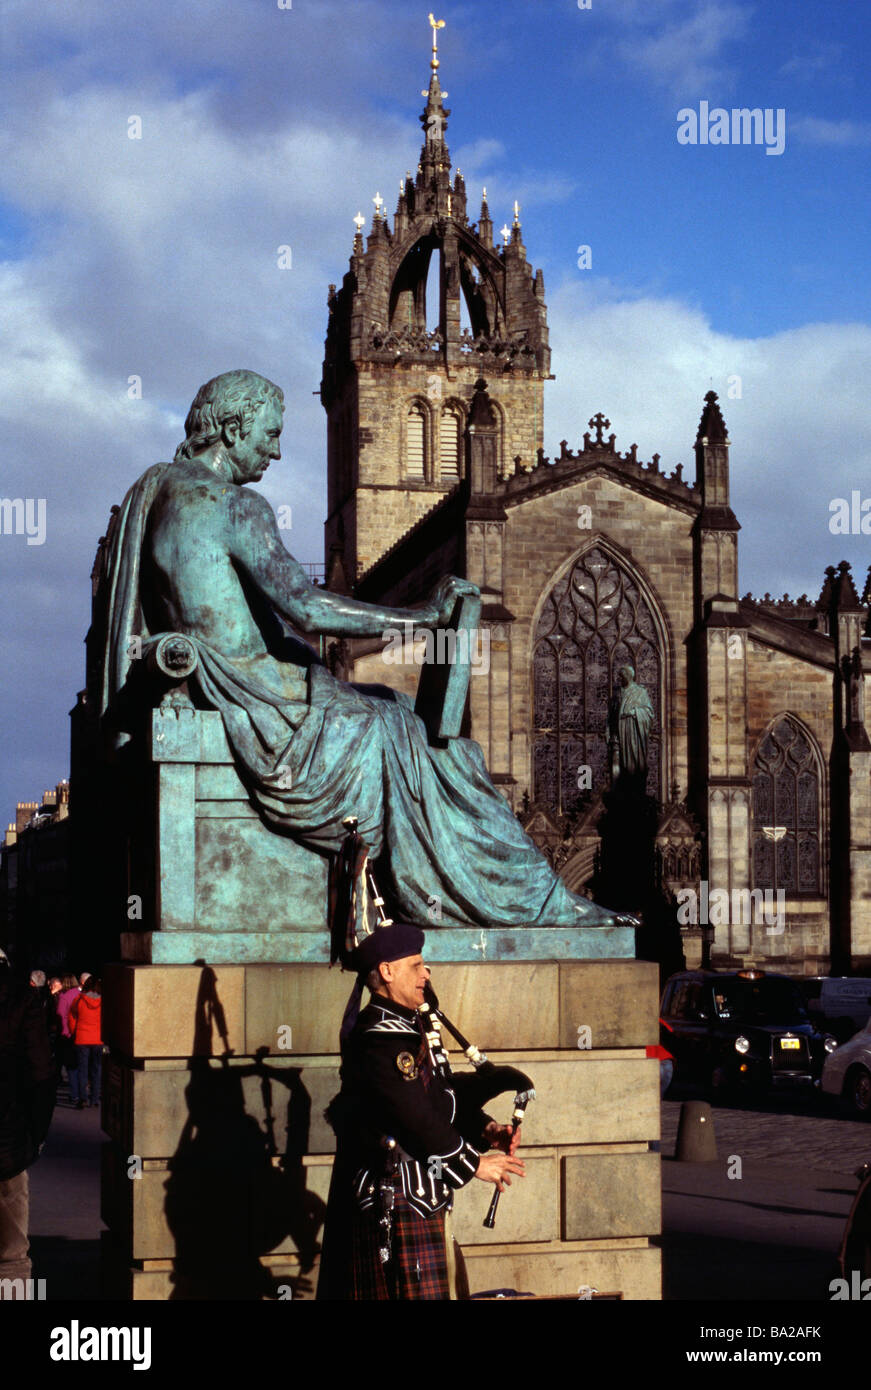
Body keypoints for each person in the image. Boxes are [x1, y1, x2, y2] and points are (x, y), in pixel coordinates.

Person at [98, 369, 622, 931]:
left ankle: (522, 896)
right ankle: (531, 903)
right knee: (440, 751)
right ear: (231, 428)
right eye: (268, 435)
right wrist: (421, 616)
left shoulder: (157, 492)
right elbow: (307, 608)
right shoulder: (234, 506)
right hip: (263, 700)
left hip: (239, 685)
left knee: (398, 714)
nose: (275, 452)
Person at [317, 922, 524, 1300]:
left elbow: (436, 1097)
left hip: (419, 1198)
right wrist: (474, 1163)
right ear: (387, 971)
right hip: (394, 1201)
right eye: (416, 965)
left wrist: (486, 1129)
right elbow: (411, 1114)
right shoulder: (380, 1038)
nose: (426, 973)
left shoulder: (404, 1027)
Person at [0, 956, 55, 1297]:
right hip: (9, 1138)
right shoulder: (23, 999)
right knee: (12, 1253)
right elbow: (41, 1075)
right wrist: (36, 1135)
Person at [610, 664, 655, 785]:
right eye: (620, 677)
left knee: (634, 766)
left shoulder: (640, 692)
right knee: (617, 764)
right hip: (619, 733)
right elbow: (611, 715)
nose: (620, 679)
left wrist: (634, 712)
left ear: (629, 676)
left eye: (622, 676)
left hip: (634, 732)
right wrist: (609, 731)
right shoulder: (617, 693)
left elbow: (649, 713)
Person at [70, 978, 102, 1110]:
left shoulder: (79, 1000)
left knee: (82, 1070)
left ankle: (83, 1098)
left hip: (82, 1038)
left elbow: (72, 1017)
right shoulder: (102, 1001)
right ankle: (95, 1099)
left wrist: (74, 1032)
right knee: (96, 1070)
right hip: (98, 1039)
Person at [55, 975, 82, 1102]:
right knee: (81, 1065)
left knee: (71, 1066)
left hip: (67, 1034)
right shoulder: (81, 995)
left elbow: (60, 1016)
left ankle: (74, 1093)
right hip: (82, 1033)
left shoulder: (64, 997)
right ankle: (83, 1094)